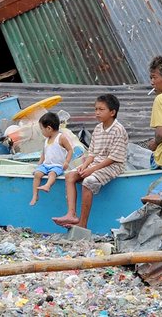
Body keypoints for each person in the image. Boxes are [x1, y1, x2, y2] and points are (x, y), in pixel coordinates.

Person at [52, 94, 127, 228]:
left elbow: (113, 158)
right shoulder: (98, 128)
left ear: (112, 112)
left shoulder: (118, 130)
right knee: (70, 176)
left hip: (113, 165)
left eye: (101, 109)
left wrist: (91, 170)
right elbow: (92, 153)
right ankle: (71, 214)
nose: (97, 112)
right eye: (96, 109)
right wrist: (84, 166)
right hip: (95, 163)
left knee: (88, 181)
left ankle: (83, 223)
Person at [30, 111, 74, 206]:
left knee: (52, 174)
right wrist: (39, 164)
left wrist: (66, 161)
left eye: (42, 129)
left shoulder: (61, 138)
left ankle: (47, 185)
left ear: (49, 128)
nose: (41, 132)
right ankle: (35, 194)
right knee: (37, 174)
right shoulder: (47, 140)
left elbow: (70, 150)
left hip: (57, 166)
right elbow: (43, 154)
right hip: (46, 165)